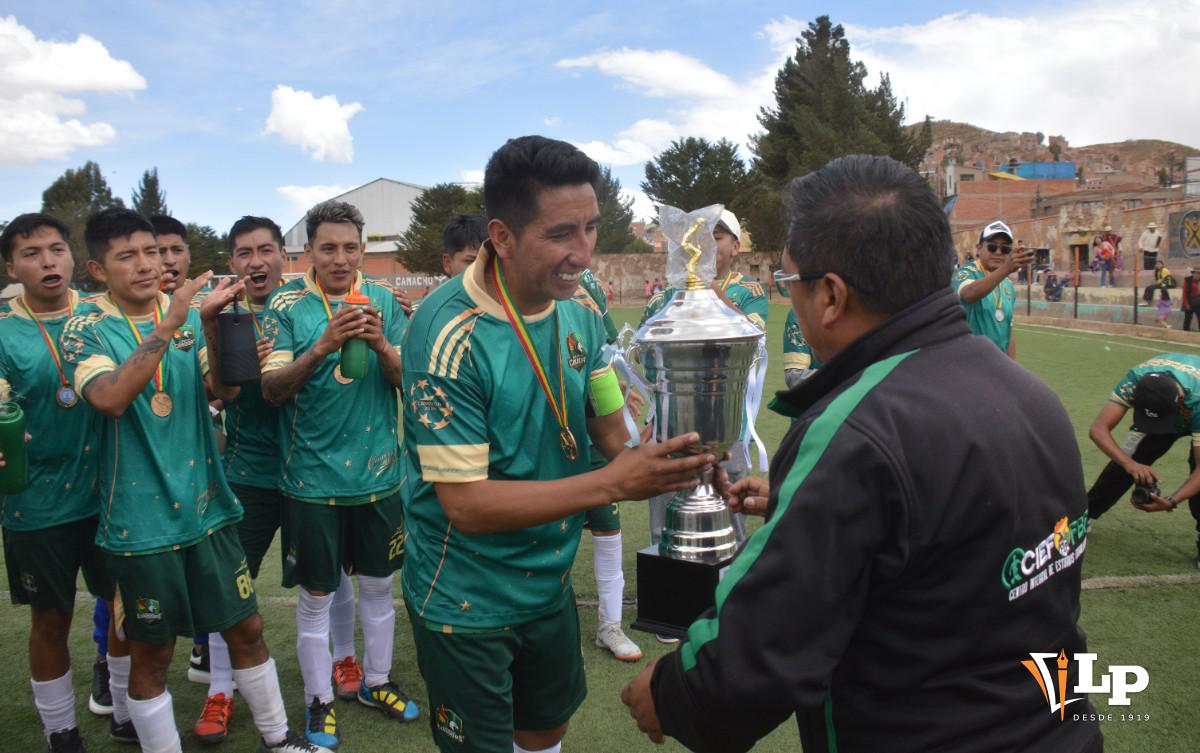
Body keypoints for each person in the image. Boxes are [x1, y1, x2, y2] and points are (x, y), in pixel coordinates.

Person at [621, 154, 1100, 753]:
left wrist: (667, 693)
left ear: (829, 296)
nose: (787, 299)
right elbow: (957, 540)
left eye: (787, 283)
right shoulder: (1033, 397)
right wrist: (803, 502)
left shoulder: (856, 428)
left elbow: (761, 657)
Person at [401, 135, 712, 753]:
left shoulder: (581, 310)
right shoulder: (443, 334)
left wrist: (658, 456)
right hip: (467, 592)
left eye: (592, 229)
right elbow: (466, 505)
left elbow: (605, 425)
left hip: (547, 580)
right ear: (503, 236)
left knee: (546, 728)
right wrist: (614, 481)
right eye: (561, 234)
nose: (584, 254)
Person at [60, 208, 327, 753]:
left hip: (209, 511)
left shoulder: (184, 314)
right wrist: (170, 322)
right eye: (127, 256)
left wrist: (211, 328)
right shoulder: (84, 327)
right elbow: (109, 398)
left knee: (246, 627)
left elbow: (222, 392)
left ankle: (279, 740)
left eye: (152, 253)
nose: (146, 265)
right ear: (96, 269)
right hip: (141, 526)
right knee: (152, 654)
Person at [260, 200, 417, 750]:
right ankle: (320, 699)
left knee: (378, 587)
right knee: (318, 597)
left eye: (352, 247)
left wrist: (379, 344)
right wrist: (324, 344)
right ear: (309, 252)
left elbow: (407, 384)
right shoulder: (285, 305)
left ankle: (376, 681)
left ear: (362, 250)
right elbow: (272, 390)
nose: (341, 258)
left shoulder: (381, 301)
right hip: (311, 481)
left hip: (379, 477)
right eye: (329, 247)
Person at [0, 214, 121, 753]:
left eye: (56, 249)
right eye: (32, 253)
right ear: (11, 267)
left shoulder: (102, 315)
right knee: (51, 619)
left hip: (113, 494)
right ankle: (60, 732)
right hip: (37, 503)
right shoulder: (3, 328)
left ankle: (123, 709)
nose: (47, 261)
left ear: (73, 258)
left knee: (123, 608)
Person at [639, 209, 767, 562]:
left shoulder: (748, 291)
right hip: (669, 426)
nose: (702, 245)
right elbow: (643, 360)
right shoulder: (660, 299)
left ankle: (728, 604)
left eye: (715, 237)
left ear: (736, 246)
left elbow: (755, 339)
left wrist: (706, 289)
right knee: (667, 525)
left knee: (729, 526)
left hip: (726, 429)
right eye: (694, 240)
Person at [1085, 356, 1200, 567]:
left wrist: (1172, 501)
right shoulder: (1135, 380)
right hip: (1173, 403)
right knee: (1126, 459)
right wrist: (1130, 464)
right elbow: (1098, 429)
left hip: (1196, 411)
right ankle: (1086, 515)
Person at [953, 219, 1032, 358]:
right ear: (978, 248)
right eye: (992, 247)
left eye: (1005, 249)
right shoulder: (967, 272)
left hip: (996, 366)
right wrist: (1006, 268)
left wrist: (1011, 369)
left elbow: (1009, 331)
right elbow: (969, 294)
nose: (998, 252)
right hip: (969, 363)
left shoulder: (1007, 285)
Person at [149, 215, 191, 294]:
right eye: (160, 252)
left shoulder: (210, 297)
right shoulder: (125, 301)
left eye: (178, 250)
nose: (170, 261)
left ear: (189, 255)